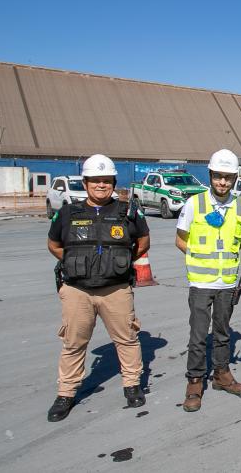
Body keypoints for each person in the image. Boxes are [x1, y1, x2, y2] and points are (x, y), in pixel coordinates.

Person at [46, 154, 149, 422]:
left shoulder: (128, 211)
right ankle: (66, 393)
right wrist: (76, 264)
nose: (101, 185)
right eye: (95, 181)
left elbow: (143, 242)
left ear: (114, 182)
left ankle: (132, 384)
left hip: (116, 289)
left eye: (106, 181)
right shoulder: (68, 213)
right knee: (73, 342)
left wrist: (117, 264)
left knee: (127, 339)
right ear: (86, 182)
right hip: (77, 290)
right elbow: (54, 245)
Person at [175, 149, 241, 412]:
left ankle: (221, 374)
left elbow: (240, 241)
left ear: (234, 178)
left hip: (227, 283)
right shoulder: (194, 204)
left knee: (222, 333)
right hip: (200, 283)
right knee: (198, 336)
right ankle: (195, 381)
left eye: (228, 178)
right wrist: (199, 258)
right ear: (210, 175)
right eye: (218, 177)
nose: (223, 182)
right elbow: (180, 240)